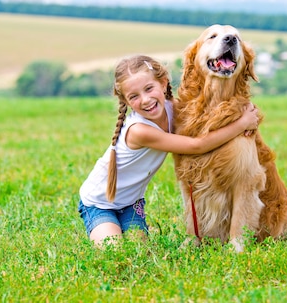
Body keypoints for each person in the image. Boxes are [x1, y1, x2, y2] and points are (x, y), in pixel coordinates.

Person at [78, 54, 259, 247]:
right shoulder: (139, 130)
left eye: (149, 89)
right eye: (134, 96)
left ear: (163, 84)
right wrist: (241, 124)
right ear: (126, 101)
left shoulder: (173, 109)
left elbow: (205, 120)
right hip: (99, 204)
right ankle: (100, 225)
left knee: (138, 250)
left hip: (131, 204)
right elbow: (196, 145)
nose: (146, 100)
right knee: (115, 252)